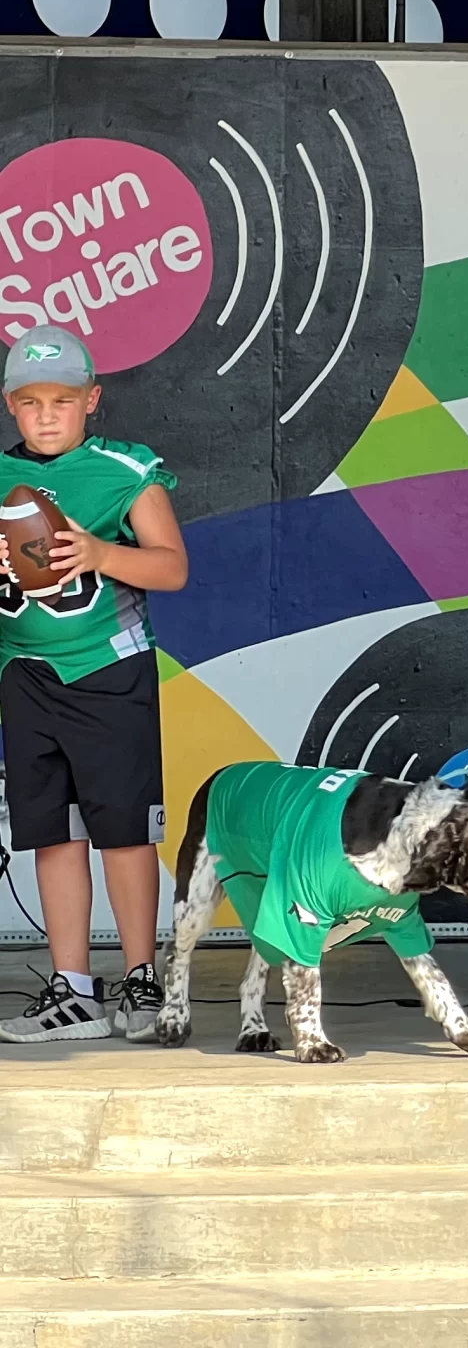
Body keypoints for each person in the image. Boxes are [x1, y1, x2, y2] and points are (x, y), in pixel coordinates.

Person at [0, 325, 190, 1045]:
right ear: (10, 405)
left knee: (123, 833)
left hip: (108, 670)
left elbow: (172, 568)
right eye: (29, 401)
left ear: (91, 401)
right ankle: (73, 989)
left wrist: (102, 551)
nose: (46, 415)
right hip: (25, 672)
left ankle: (141, 976)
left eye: (62, 400)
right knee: (53, 834)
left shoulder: (123, 469)